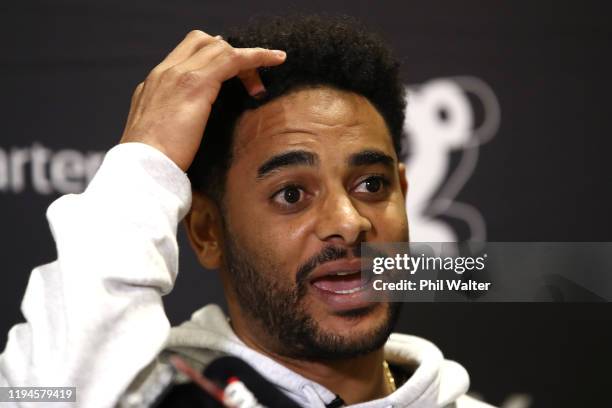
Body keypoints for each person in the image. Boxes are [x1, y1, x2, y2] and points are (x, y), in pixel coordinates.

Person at [0, 15, 493, 407]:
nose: (349, 221)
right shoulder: (152, 395)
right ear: (207, 232)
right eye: (292, 194)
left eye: (371, 184)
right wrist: (146, 161)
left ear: (403, 192)